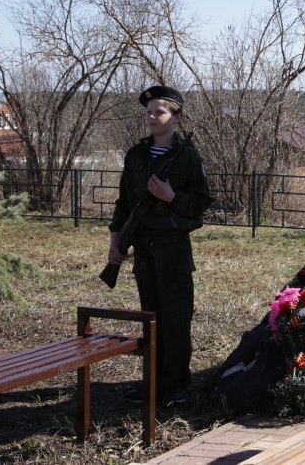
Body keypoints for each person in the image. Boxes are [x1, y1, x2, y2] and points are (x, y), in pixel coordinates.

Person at [107, 85, 211, 406]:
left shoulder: (187, 156)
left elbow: (201, 202)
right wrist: (116, 238)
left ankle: (177, 383)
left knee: (176, 318)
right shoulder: (136, 155)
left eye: (159, 112)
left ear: (176, 117)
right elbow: (125, 202)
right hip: (144, 249)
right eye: (148, 112)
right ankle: (152, 381)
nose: (152, 117)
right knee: (150, 317)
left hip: (174, 250)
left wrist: (171, 196)